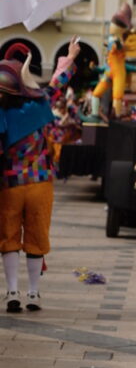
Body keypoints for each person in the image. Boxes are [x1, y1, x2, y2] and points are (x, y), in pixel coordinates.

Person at [0, 38, 79, 313]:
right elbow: (57, 84)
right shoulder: (40, 106)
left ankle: (12, 290)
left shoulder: (1, 116)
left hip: (9, 185)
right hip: (40, 184)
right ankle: (33, 293)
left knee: (8, 237)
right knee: (36, 237)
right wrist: (69, 57)